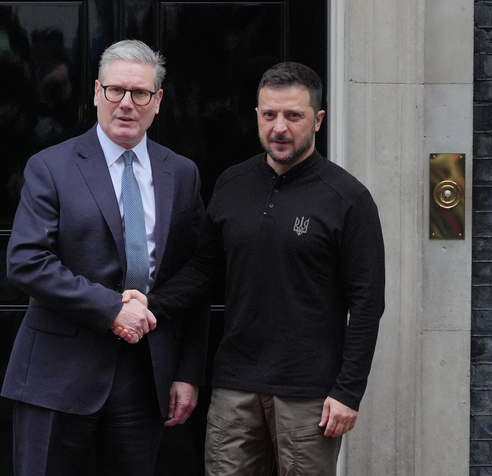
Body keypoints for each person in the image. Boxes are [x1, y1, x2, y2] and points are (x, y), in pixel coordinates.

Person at [118, 62, 386, 476]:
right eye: (269, 115)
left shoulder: (348, 199)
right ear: (257, 115)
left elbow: (367, 303)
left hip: (308, 393)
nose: (279, 128)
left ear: (317, 120)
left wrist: (348, 391)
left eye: (293, 116)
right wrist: (152, 304)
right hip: (234, 386)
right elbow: (205, 271)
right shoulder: (232, 184)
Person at [1, 40, 208, 476]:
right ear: (96, 92)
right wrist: (112, 309)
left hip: (145, 378)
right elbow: (26, 259)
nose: (126, 104)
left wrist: (188, 372)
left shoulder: (182, 173)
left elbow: (194, 275)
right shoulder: (51, 166)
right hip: (56, 377)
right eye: (116, 91)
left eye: (140, 94)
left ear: (158, 102)